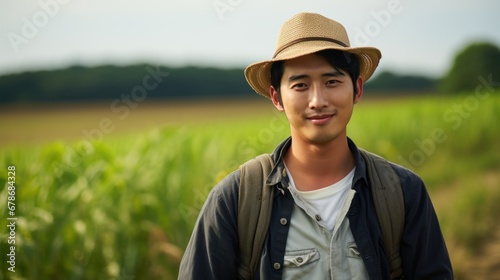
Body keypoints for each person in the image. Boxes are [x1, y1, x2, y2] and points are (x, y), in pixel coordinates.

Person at [178, 12, 453, 279]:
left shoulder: (402, 192)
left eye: (332, 81)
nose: (317, 100)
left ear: (357, 89)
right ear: (276, 97)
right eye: (300, 86)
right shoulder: (236, 199)